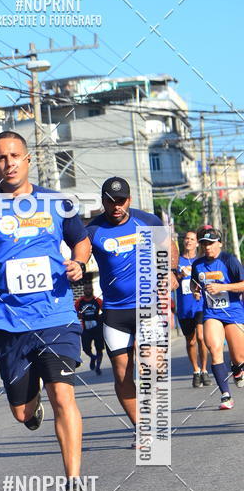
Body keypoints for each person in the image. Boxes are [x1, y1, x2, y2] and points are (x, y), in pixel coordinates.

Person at [0, 130, 94, 491]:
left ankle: (73, 485)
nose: (8, 163)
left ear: (28, 159)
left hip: (56, 315)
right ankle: (31, 409)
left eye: (15, 155)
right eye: (0, 158)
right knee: (22, 413)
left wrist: (78, 262)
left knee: (63, 394)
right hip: (10, 323)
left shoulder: (56, 202)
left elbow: (81, 240)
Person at [87, 176, 174, 446]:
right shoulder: (92, 231)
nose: (116, 206)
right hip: (114, 311)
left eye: (121, 200)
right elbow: (77, 256)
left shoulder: (146, 221)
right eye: (111, 201)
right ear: (103, 202)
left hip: (148, 306)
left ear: (130, 200)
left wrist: (169, 270)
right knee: (122, 373)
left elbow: (169, 245)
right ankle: (142, 428)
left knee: (149, 367)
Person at [191, 227, 244, 409]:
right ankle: (225, 395)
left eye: (211, 244)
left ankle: (237, 368)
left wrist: (223, 288)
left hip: (234, 312)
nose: (207, 247)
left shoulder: (229, 260)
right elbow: (194, 284)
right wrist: (195, 291)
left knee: (239, 356)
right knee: (214, 348)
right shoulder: (197, 265)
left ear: (219, 243)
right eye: (204, 244)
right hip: (212, 313)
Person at [173, 230, 210, 387]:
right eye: (186, 238)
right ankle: (195, 370)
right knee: (191, 341)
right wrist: (179, 276)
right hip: (184, 307)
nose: (188, 241)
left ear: (197, 243)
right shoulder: (176, 262)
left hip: (200, 305)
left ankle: (204, 369)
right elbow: (171, 283)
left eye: (192, 239)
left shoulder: (201, 262)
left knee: (201, 337)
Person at [75, 282, 104, 375]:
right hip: (86, 329)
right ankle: (92, 357)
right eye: (86, 289)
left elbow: (105, 311)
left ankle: (98, 367)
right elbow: (74, 313)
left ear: (92, 290)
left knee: (99, 349)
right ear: (83, 290)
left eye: (89, 289)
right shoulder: (79, 302)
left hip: (97, 328)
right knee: (86, 349)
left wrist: (101, 318)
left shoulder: (97, 300)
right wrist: (78, 315)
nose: (88, 290)